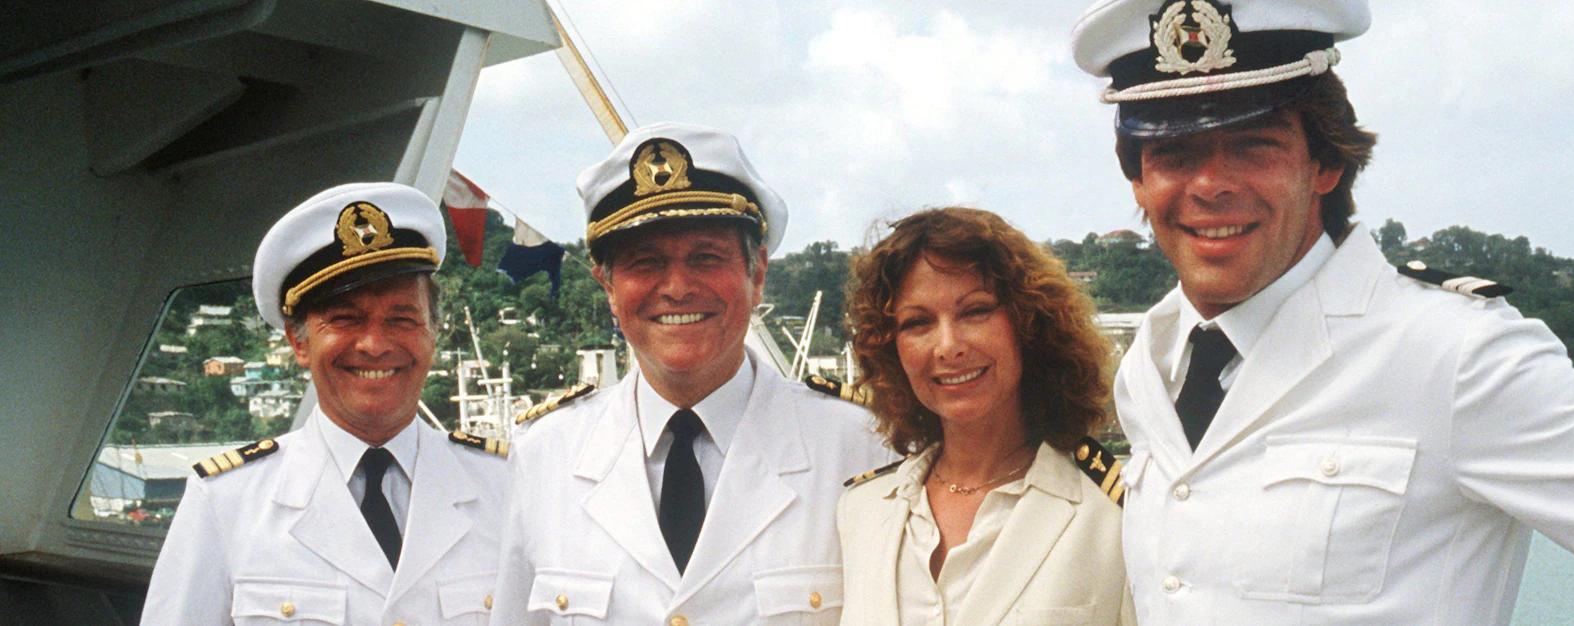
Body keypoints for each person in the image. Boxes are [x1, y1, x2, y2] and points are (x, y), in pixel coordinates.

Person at [1068, 1, 1574, 623]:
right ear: (1137, 179)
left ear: (1325, 164)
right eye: (1173, 153)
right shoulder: (1150, 364)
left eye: (1253, 147)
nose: (1210, 184)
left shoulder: (1450, 355)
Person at [490, 122, 894, 625]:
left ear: (758, 273)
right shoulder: (546, 455)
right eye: (645, 262)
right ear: (608, 287)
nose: (677, 288)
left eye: (706, 257)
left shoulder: (857, 448)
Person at [143, 183, 510, 624]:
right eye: (345, 319)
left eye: (402, 319)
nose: (375, 344)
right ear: (299, 341)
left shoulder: (506, 487)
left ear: (432, 333)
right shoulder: (227, 502)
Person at [837, 207, 1134, 625]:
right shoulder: (861, 511)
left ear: (1028, 324)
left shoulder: (1116, 515)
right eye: (917, 322)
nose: (948, 346)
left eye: (974, 312)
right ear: (892, 350)